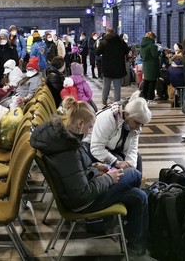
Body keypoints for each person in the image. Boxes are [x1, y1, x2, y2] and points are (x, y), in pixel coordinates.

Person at [30, 100, 149, 258]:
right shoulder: (67, 150)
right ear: (80, 123)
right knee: (134, 174)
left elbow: (76, 173)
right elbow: (82, 193)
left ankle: (136, 247)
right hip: (83, 203)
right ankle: (118, 224)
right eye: (90, 127)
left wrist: (94, 169)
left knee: (139, 196)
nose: (90, 131)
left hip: (84, 193)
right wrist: (108, 178)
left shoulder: (64, 141)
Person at [86, 91, 151, 173]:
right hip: (91, 148)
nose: (138, 127)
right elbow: (96, 148)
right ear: (127, 115)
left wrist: (131, 165)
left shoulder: (135, 125)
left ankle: (134, 182)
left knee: (137, 158)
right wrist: (117, 162)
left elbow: (132, 149)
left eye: (141, 124)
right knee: (119, 160)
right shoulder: (109, 118)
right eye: (137, 123)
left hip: (111, 147)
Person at [96, 28, 130, 107]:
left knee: (106, 86)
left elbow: (97, 52)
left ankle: (104, 101)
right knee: (117, 87)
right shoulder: (121, 41)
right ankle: (116, 103)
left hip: (107, 67)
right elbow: (127, 51)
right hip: (119, 67)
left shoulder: (104, 42)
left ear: (107, 33)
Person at [139, 32, 160, 102]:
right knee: (152, 81)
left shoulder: (142, 45)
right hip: (152, 65)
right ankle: (150, 96)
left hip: (145, 64)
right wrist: (160, 51)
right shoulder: (152, 45)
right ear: (152, 37)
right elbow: (155, 55)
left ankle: (144, 95)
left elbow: (141, 56)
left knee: (146, 80)